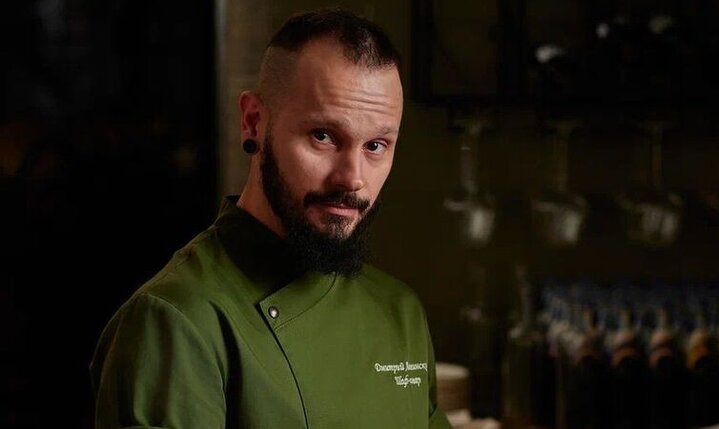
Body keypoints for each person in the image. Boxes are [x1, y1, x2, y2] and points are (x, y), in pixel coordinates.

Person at [90, 8, 452, 429]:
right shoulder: (175, 320)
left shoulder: (400, 312)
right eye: (323, 136)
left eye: (375, 145)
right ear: (254, 122)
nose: (352, 178)